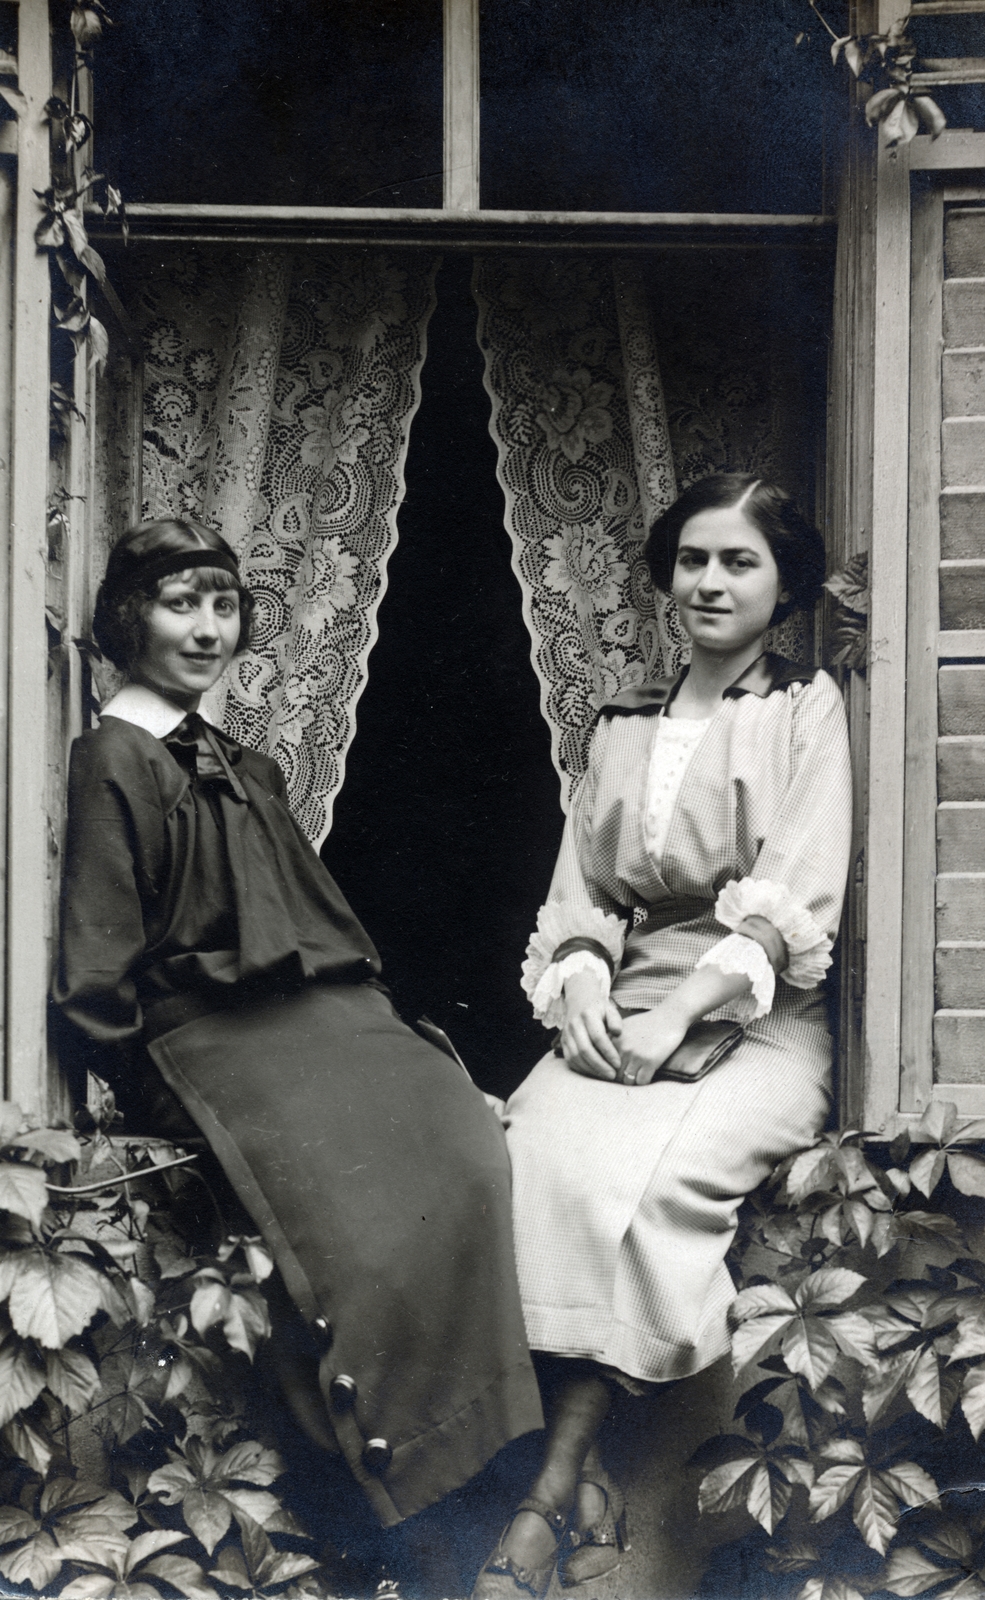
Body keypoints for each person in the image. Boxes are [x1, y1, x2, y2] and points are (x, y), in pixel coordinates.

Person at [54, 518, 543, 1533]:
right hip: (214, 1034)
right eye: (180, 603)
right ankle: (396, 1486)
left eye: (222, 606)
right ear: (128, 617)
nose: (205, 628)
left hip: (324, 1016)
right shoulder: (116, 752)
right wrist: (123, 1070)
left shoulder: (240, 759)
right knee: (360, 1230)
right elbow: (100, 953)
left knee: (464, 1152)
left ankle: (485, 1451)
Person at [472, 474, 853, 1598]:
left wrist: (679, 1016)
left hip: (758, 1018)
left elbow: (798, 885)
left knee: (635, 1195)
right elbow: (581, 886)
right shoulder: (625, 719)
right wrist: (583, 979)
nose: (709, 582)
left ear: (782, 587)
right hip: (627, 1010)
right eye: (692, 559)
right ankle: (572, 1487)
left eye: (738, 562)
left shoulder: (804, 709)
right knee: (522, 1160)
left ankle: (551, 1492)